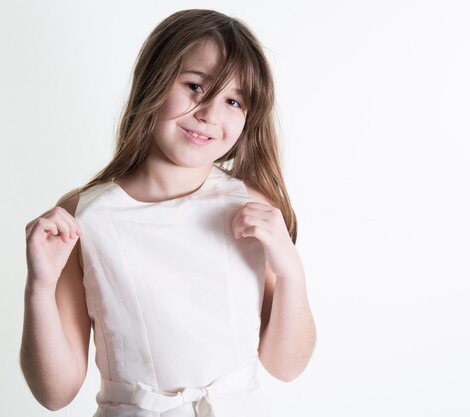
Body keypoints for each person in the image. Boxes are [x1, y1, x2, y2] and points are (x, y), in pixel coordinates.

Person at [20, 9, 316, 417]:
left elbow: (286, 365)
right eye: (195, 86)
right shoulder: (84, 217)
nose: (210, 113)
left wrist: (290, 271)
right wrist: (39, 287)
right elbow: (55, 393)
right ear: (154, 83)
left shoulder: (251, 204)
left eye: (233, 100)